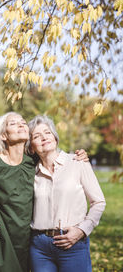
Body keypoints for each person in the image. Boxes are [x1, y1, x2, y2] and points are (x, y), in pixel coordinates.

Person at [0, 112, 88, 272]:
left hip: (26, 245)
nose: (21, 125)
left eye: (23, 122)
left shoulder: (33, 163)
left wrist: (78, 156)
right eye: (13, 123)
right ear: (3, 135)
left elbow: (53, 156)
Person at [26, 115, 106, 272]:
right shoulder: (31, 173)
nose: (44, 137)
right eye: (36, 136)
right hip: (39, 248)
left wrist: (82, 230)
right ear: (31, 147)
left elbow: (98, 202)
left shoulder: (77, 163)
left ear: (55, 138)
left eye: (47, 133)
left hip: (72, 243)